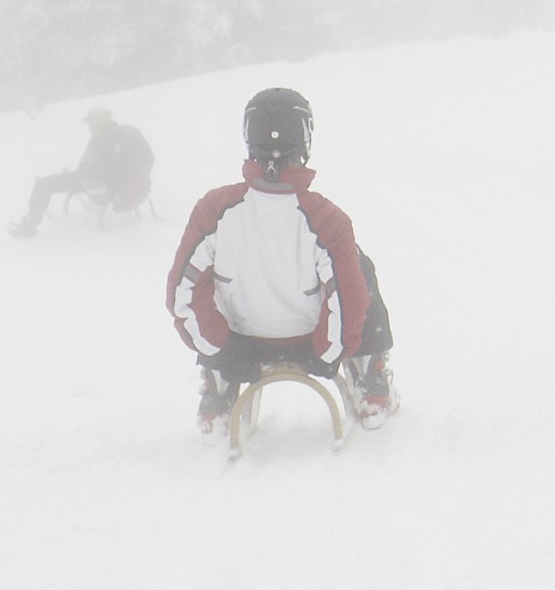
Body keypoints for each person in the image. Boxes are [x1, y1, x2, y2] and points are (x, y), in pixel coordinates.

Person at [165, 88, 398, 436]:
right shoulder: (326, 219)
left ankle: (217, 388)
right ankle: (369, 378)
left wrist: (221, 350)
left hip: (237, 343)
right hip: (311, 342)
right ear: (305, 139)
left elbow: (183, 295)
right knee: (359, 270)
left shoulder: (214, 211)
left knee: (209, 283)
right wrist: (327, 353)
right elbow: (348, 302)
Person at [8, 107, 154, 236]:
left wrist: (70, 178)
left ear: (96, 124)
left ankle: (30, 226)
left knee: (44, 184)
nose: (89, 128)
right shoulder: (130, 132)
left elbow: (84, 171)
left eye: (90, 124)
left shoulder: (98, 142)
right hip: (126, 189)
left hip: (102, 191)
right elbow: (148, 157)